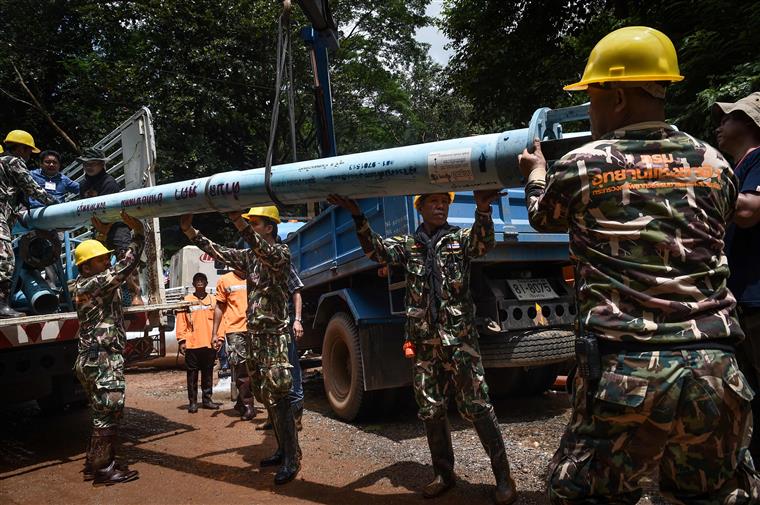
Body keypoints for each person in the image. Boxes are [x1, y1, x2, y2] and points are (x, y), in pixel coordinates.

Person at [518, 26, 760, 503]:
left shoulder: (584, 165)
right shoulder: (715, 165)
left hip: (626, 371)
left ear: (619, 98)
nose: (590, 108)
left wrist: (537, 173)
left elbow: (543, 217)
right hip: (715, 369)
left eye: (592, 96)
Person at [327, 190, 516, 505]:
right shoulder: (408, 246)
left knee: (477, 406)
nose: (441, 206)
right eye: (434, 202)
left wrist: (483, 210)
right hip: (424, 342)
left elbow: (484, 244)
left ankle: (503, 477)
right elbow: (376, 251)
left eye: (445, 202)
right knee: (430, 408)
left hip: (459, 342)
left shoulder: (460, 240)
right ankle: (444, 474)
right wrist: (358, 216)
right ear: (421, 207)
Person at [180, 206, 301, 485]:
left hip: (274, 336)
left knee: (281, 394)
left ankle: (292, 456)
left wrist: (236, 220)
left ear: (269, 227)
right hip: (255, 336)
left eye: (254, 223)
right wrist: (190, 232)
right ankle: (282, 449)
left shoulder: (280, 254)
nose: (250, 228)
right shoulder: (250, 258)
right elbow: (220, 251)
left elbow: (260, 248)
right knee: (266, 395)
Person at [73, 210, 143, 486]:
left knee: (100, 412)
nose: (107, 261)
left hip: (91, 358)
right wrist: (138, 234)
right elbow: (126, 265)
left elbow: (113, 266)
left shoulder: (85, 282)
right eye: (101, 259)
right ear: (87, 266)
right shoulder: (95, 282)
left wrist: (102, 234)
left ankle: (95, 463)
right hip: (102, 359)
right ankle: (104, 470)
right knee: (108, 413)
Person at [714, 91, 760, 462]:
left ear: (747, 123)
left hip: (757, 298)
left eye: (727, 118)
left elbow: (749, 210)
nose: (719, 125)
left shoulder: (759, 161)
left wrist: (696, 189)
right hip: (741, 299)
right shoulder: (738, 169)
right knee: (746, 392)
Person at [0, 130, 57, 318]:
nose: (28, 156)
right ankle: (2, 306)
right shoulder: (12, 161)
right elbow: (31, 186)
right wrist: (53, 203)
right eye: (28, 151)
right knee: (6, 261)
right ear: (20, 148)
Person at [78, 147, 143, 306]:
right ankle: (100, 296)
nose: (89, 166)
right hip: (99, 227)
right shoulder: (83, 185)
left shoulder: (109, 183)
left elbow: (115, 210)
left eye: (93, 163)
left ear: (102, 164)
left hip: (116, 225)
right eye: (86, 163)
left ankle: (136, 294)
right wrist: (100, 232)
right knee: (94, 262)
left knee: (125, 256)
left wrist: (105, 230)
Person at [213, 268, 256, 420]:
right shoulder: (225, 280)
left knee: (256, 368)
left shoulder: (254, 276)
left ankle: (240, 402)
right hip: (235, 330)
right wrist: (216, 334)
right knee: (241, 368)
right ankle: (248, 405)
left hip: (255, 328)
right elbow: (219, 307)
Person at [176, 272, 220, 413]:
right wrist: (182, 340)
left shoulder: (214, 301)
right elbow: (181, 321)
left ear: (207, 283)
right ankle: (193, 402)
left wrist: (220, 338)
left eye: (202, 280)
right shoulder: (186, 300)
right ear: (194, 284)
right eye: (197, 280)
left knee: (207, 373)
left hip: (209, 343)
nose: (200, 282)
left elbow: (220, 320)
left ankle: (207, 400)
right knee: (192, 374)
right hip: (192, 344)